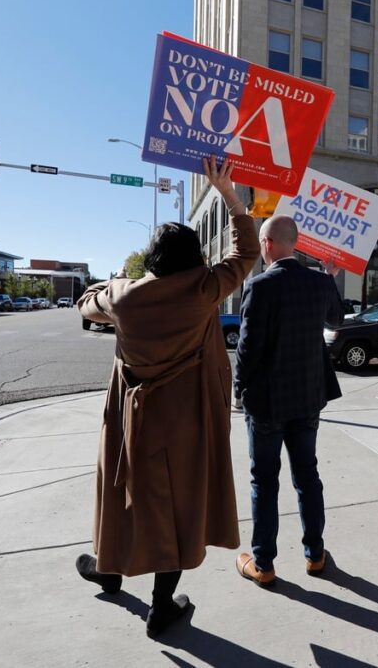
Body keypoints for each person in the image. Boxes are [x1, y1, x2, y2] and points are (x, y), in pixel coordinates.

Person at [74, 156, 260, 637]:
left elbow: (86, 303)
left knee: (119, 492)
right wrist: (229, 195)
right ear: (194, 255)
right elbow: (246, 253)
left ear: (152, 258)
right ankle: (161, 606)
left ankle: (109, 571)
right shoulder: (203, 290)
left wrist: (117, 282)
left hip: (129, 419)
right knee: (177, 507)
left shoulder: (123, 296)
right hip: (184, 421)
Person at [233, 217, 345, 586]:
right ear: (294, 244)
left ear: (266, 244)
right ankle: (315, 555)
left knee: (264, 481)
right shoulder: (317, 282)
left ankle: (263, 563)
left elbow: (248, 348)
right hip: (308, 399)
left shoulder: (260, 285)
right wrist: (329, 275)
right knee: (307, 476)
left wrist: (238, 389)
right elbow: (337, 318)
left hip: (267, 402)